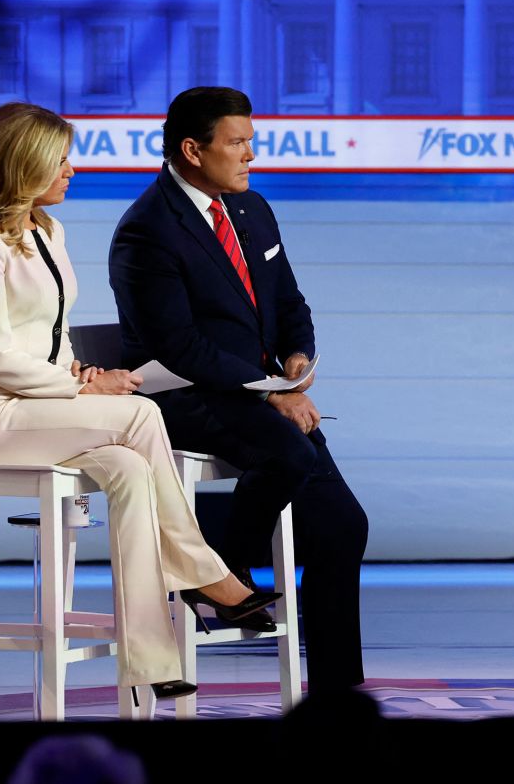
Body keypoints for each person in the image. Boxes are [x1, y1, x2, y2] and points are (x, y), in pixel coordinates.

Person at [0, 102, 278, 701]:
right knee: (142, 411)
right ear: (25, 164)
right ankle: (205, 573)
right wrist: (83, 387)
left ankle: (150, 659)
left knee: (127, 467)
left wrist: (77, 369)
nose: (71, 170)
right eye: (60, 160)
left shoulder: (46, 231)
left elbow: (50, 332)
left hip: (41, 410)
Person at [109, 87, 368, 692]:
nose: (252, 154)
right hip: (184, 396)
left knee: (343, 527)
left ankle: (337, 696)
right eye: (239, 142)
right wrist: (271, 391)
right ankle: (215, 572)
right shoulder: (147, 230)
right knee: (290, 453)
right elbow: (176, 349)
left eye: (251, 140)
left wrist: (297, 359)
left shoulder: (252, 209)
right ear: (193, 150)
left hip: (259, 396)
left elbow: (287, 302)